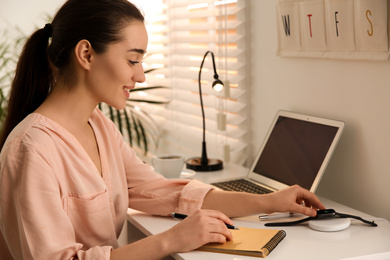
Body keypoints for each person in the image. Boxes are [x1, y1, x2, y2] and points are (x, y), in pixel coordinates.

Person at [0, 0, 325, 259]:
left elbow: (163, 191)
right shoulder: (31, 150)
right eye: (132, 61)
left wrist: (270, 201)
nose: (140, 76)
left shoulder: (100, 126)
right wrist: (171, 240)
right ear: (86, 54)